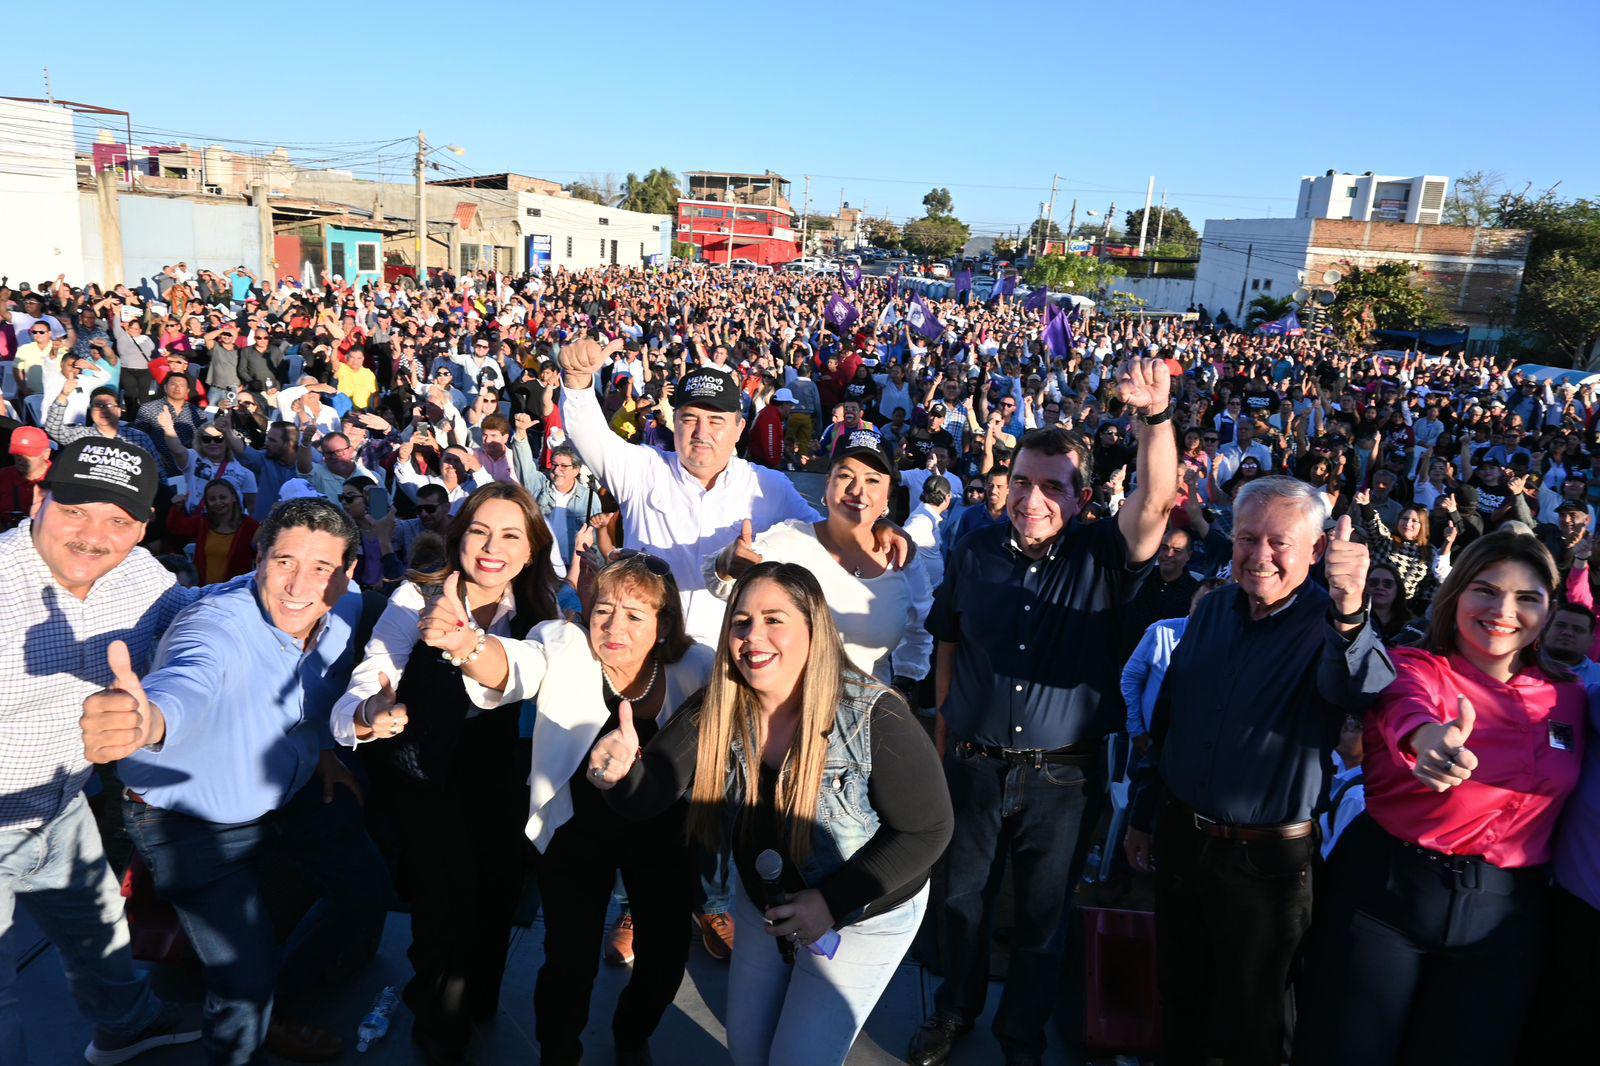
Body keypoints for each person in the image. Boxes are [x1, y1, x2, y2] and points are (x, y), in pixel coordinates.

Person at [913, 356, 1178, 1066]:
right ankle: (955, 1010)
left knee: (1042, 917)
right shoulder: (973, 549)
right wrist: (943, 734)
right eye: (1023, 481)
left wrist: (1155, 417)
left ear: (1082, 497)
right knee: (962, 901)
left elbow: (1156, 502)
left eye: (1053, 486)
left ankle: (1021, 1037)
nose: (1033, 498)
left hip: (1063, 779)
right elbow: (949, 640)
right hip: (972, 764)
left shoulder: (1105, 554)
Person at [589, 563, 952, 1066]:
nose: (752, 636)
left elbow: (929, 830)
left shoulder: (874, 715)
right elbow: (647, 796)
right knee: (749, 1051)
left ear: (813, 628)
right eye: (741, 622)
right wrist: (616, 774)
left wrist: (831, 901)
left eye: (773, 619)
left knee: (798, 1058)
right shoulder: (720, 705)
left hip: (863, 912)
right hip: (766, 901)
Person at [81, 498, 391, 1065]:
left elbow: (316, 692)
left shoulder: (342, 607)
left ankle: (282, 1006)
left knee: (366, 889)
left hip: (288, 787)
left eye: (322, 567)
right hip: (189, 823)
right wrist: (148, 720)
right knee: (243, 983)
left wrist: (324, 748)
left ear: (348, 573)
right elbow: (187, 679)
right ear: (259, 558)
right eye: (285, 561)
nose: (299, 585)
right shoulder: (215, 624)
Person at [1125, 477, 1396, 1065]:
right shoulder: (1212, 609)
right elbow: (1169, 719)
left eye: (1279, 542)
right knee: (1180, 995)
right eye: (1247, 538)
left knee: (1254, 1020)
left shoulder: (1332, 625)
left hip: (1267, 865)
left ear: (1318, 550)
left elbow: (1364, 691)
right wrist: (1143, 814)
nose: (1260, 555)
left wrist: (1352, 611)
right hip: (1183, 839)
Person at [1295, 530, 1586, 1066]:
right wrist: (1427, 743)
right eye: (1486, 590)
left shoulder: (1570, 696)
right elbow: (1408, 709)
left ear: (1549, 610)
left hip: (1505, 916)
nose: (1503, 611)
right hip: (1388, 894)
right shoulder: (1413, 665)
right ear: (1455, 594)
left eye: (1527, 597)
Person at [438, 550, 712, 1066]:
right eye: (604, 609)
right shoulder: (563, 645)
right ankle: (559, 1050)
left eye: (635, 615)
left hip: (664, 831)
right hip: (576, 829)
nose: (614, 626)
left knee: (665, 956)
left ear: (664, 624)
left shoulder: (697, 665)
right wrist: (466, 644)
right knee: (569, 958)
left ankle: (632, 1035)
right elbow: (514, 665)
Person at [332, 482, 559, 1063]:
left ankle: (476, 998)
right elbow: (370, 677)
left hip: (502, 780)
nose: (492, 547)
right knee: (442, 908)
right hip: (427, 779)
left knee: (495, 896)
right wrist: (368, 713)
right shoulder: (416, 598)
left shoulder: (544, 613)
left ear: (531, 551)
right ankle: (439, 1022)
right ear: (458, 539)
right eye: (479, 531)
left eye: (510, 535)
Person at [0, 438, 201, 1065]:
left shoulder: (140, 575)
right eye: (75, 510)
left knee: (101, 937)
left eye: (117, 520)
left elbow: (200, 617)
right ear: (39, 497)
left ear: (142, 528)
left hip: (62, 809)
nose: (92, 536)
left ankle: (129, 1027)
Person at [705, 428, 933, 689]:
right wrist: (726, 565)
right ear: (827, 483)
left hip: (869, 705)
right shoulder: (791, 541)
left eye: (872, 480)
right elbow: (722, 584)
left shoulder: (901, 556)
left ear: (888, 495)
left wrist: (908, 678)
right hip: (793, 704)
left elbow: (922, 624)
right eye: (845, 475)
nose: (857, 490)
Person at [164, 477, 260, 584]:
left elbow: (262, 555)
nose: (218, 502)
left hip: (236, 590)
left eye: (223, 497)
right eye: (212, 499)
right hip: (203, 590)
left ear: (233, 497)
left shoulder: (251, 526)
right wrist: (177, 507)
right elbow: (176, 527)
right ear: (207, 502)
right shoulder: (202, 522)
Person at [0, 426, 51, 530]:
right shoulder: (3, 476)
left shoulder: (61, 479)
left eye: (29, 454)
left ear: (46, 454)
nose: (21, 459)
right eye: (17, 454)